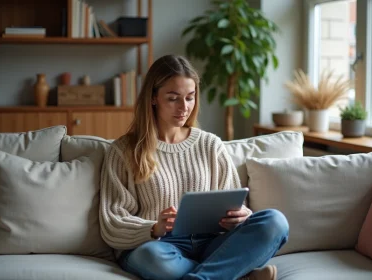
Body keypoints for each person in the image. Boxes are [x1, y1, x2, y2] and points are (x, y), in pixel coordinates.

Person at [99, 54, 289, 280]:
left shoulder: (210, 145)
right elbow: (113, 222)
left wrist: (241, 216)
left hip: (211, 242)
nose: (184, 107)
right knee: (151, 258)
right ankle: (233, 274)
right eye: (173, 98)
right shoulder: (124, 150)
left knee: (275, 221)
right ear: (153, 98)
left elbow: (236, 204)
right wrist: (153, 228)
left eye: (190, 98)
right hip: (160, 246)